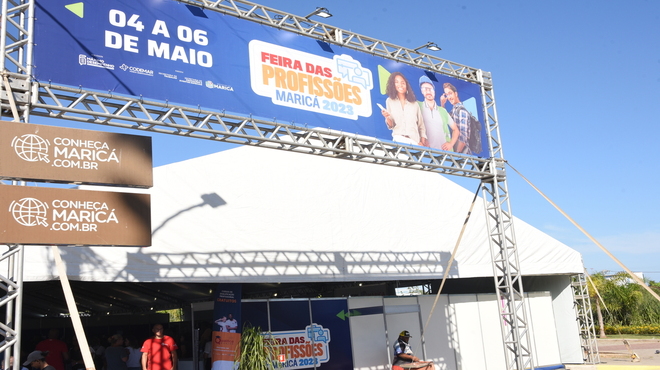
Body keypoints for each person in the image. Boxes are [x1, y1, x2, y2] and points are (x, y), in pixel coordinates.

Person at [381, 72, 428, 147]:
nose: (400, 85)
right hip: (398, 140)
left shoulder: (414, 104)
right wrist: (386, 117)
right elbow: (391, 125)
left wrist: (422, 142)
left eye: (402, 82)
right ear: (393, 85)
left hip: (414, 142)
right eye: (396, 82)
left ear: (406, 85)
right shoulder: (389, 101)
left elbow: (421, 126)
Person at [417, 76, 459, 151]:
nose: (428, 91)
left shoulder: (442, 111)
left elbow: (456, 129)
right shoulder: (417, 105)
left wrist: (451, 144)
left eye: (430, 89)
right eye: (425, 89)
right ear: (421, 91)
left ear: (434, 91)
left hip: (445, 156)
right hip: (425, 154)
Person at [440, 82, 471, 154]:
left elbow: (463, 137)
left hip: (463, 153)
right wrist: (442, 104)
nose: (449, 97)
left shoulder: (461, 111)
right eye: (447, 95)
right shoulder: (454, 110)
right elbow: (444, 118)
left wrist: (456, 154)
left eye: (450, 93)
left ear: (456, 94)